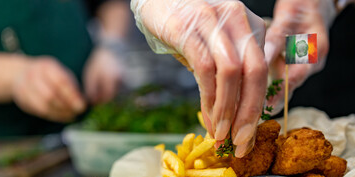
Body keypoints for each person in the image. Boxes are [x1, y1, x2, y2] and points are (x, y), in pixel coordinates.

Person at [130, 0, 354, 157]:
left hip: (337, 59)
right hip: (225, 32)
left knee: (306, 55)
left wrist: (329, 2)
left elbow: (311, 47)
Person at [0, 0, 130, 136]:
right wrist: (16, 75)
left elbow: (111, 3)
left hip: (90, 119)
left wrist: (109, 47)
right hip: (11, 140)